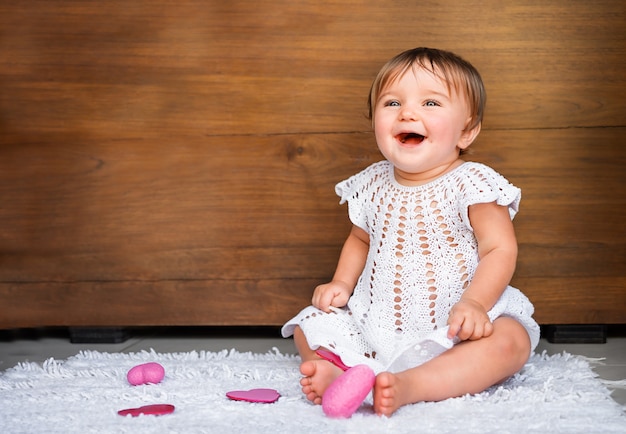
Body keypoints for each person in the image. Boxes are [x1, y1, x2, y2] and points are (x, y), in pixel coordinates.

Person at [281, 47, 540, 417]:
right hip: (379, 317)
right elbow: (359, 238)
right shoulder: (372, 184)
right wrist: (341, 283)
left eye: (431, 103)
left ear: (466, 131)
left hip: (457, 323)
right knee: (310, 323)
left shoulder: (472, 183)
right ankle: (343, 373)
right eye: (391, 103)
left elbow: (500, 249)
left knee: (510, 342)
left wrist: (476, 304)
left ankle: (412, 385)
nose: (407, 112)